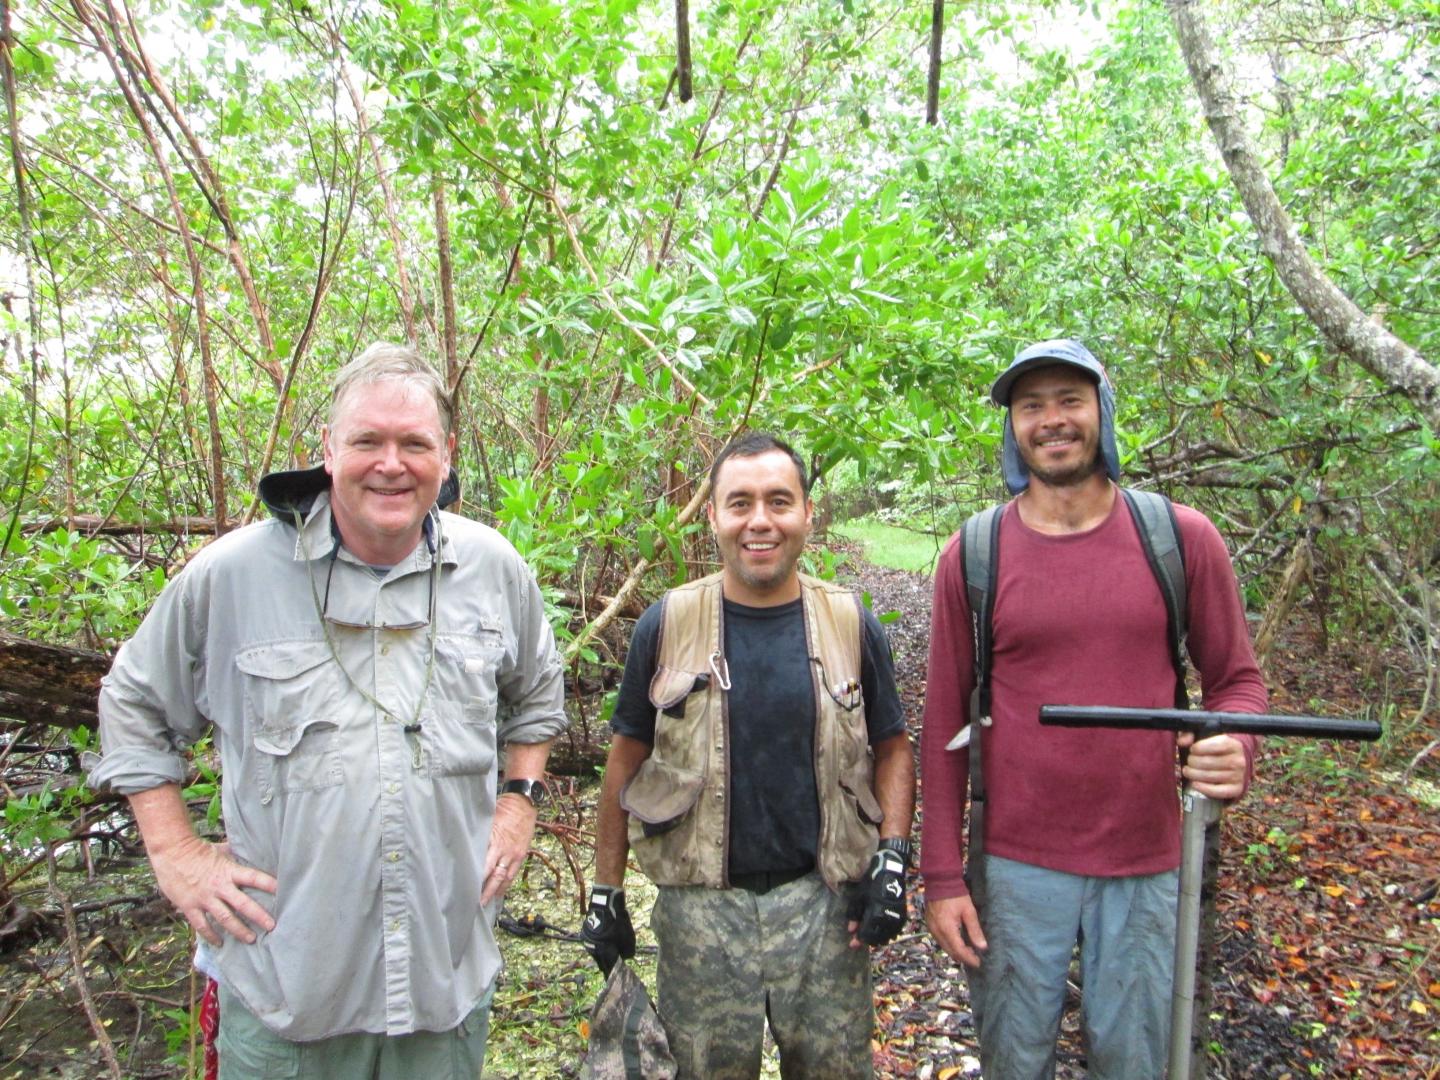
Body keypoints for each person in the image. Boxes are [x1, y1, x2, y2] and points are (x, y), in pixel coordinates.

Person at [88, 343, 567, 1078]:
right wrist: (176, 853)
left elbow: (535, 695)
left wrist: (518, 802)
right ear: (327, 450)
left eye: (414, 443)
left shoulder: (494, 567)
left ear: (446, 456)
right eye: (368, 440)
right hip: (290, 993)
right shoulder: (233, 575)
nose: (391, 464)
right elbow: (133, 701)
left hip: (445, 985)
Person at [920, 339, 1268, 1079]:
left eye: (1070, 400)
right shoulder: (974, 555)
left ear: (1102, 413)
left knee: (1137, 1059)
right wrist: (944, 879)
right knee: (1014, 1061)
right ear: (1013, 428)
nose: (1052, 420)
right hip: (1013, 867)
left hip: (1146, 862)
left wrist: (1234, 745)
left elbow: (1237, 682)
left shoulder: (1179, 539)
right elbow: (943, 730)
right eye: (1031, 406)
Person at [581, 432, 914, 1080]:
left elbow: (893, 748)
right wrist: (605, 892)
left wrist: (893, 862)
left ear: (808, 514)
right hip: (702, 914)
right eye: (739, 503)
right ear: (712, 516)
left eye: (778, 502)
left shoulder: (849, 623)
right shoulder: (668, 623)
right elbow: (624, 762)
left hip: (823, 909)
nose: (759, 521)